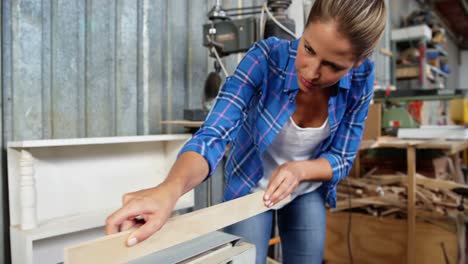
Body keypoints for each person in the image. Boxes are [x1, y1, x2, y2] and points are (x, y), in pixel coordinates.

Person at [105, 0, 387, 263]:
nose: (311, 72)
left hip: (306, 187)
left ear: (357, 63)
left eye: (333, 66)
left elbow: (341, 158)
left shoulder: (362, 79)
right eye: (309, 49)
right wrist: (169, 190)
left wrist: (300, 170)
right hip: (250, 183)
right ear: (305, 29)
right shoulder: (266, 58)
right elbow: (213, 135)